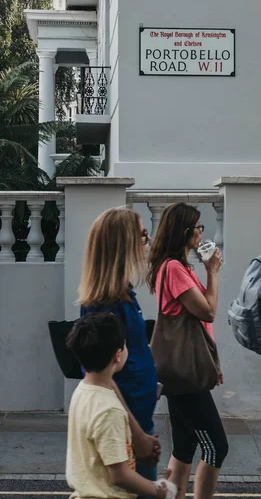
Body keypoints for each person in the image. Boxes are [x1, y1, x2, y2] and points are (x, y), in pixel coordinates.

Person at [147, 202, 228, 499]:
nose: (201, 233)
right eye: (198, 228)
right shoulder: (174, 269)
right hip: (185, 374)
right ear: (185, 233)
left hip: (186, 369)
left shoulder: (176, 268)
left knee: (184, 446)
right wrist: (213, 272)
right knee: (216, 446)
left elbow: (199, 324)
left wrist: (211, 363)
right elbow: (207, 312)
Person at [78, 207, 160, 488]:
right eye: (142, 235)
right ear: (123, 242)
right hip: (127, 424)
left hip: (137, 417)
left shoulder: (123, 296)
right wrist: (138, 437)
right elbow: (103, 377)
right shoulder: (106, 305)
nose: (147, 241)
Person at [65, 313, 175, 499]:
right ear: (117, 356)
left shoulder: (82, 392)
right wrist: (160, 490)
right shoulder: (110, 410)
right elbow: (119, 476)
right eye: (125, 345)